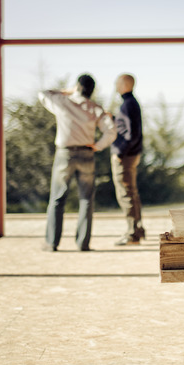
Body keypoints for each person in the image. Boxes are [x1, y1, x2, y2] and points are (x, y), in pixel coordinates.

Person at [39, 74, 116, 252]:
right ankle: (83, 243)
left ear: (77, 87)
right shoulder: (96, 108)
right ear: (92, 90)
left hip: (65, 154)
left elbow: (43, 93)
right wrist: (97, 146)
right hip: (87, 154)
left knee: (57, 198)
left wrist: (67, 91)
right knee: (87, 200)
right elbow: (111, 132)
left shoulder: (62, 102)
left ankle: (51, 243)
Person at [110, 73, 145, 246]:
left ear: (125, 84)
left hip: (125, 156)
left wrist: (119, 153)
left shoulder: (128, 104)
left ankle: (133, 234)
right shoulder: (130, 104)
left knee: (126, 194)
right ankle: (137, 230)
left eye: (117, 83)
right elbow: (127, 128)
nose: (115, 86)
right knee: (131, 192)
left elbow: (131, 134)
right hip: (131, 154)